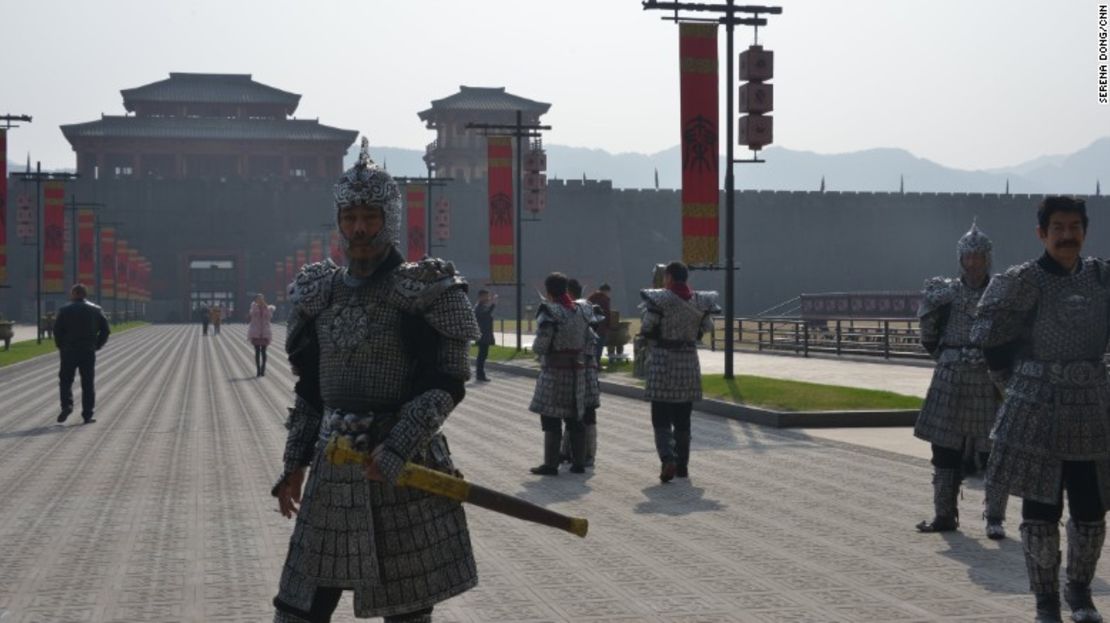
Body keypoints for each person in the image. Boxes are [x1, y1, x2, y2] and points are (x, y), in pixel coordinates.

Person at [270, 139, 479, 623]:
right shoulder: (320, 291)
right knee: (297, 608)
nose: (359, 228)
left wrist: (397, 446)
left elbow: (447, 382)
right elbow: (310, 393)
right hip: (333, 468)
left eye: (369, 217)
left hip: (402, 468)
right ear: (339, 221)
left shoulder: (424, 289)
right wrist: (293, 464)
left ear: (389, 217)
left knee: (406, 610)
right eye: (350, 217)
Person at [974, 196, 1110, 623]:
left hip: (1091, 406)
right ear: (1042, 233)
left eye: (1074, 227)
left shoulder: (1103, 278)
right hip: (1035, 406)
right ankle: (1046, 601)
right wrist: (1015, 390)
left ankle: (1080, 592)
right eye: (1058, 228)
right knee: (1040, 512)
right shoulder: (1022, 281)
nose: (1067, 235)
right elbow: (992, 341)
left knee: (1090, 509)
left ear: (1084, 230)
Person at [914, 222, 1009, 539]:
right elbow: (929, 335)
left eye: (978, 256)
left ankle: (994, 518)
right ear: (961, 258)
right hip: (951, 376)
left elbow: (1014, 335)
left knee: (994, 452)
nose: (973, 262)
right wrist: (950, 357)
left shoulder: (1002, 293)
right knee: (944, 449)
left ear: (987, 258)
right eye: (968, 256)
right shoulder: (944, 292)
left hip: (989, 378)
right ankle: (944, 514)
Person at [639, 261, 719, 483]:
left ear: (670, 278)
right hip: (688, 363)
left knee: (661, 417)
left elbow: (647, 327)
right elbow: (709, 327)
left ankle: (668, 459)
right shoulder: (700, 300)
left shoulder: (659, 299)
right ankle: (683, 465)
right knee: (683, 418)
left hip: (663, 361)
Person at [528, 272, 597, 476]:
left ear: (548, 292)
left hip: (555, 372)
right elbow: (590, 340)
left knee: (551, 417)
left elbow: (540, 346)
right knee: (576, 416)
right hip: (578, 371)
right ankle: (578, 463)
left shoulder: (550, 311)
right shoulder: (583, 309)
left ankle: (551, 464)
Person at [53, 283, 110, 425]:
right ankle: (87, 415)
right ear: (85, 294)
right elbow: (106, 330)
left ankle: (67, 406)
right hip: (87, 350)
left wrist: (61, 346)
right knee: (88, 383)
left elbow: (57, 330)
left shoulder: (64, 310)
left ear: (73, 294)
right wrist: (97, 345)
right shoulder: (96, 310)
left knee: (65, 380)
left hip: (68, 351)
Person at [248, 294, 276, 377]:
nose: (260, 300)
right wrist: (256, 307)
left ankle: (263, 369)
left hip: (265, 332)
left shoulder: (268, 308)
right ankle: (258, 370)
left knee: (264, 351)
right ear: (256, 300)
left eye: (261, 298)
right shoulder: (253, 307)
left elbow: (270, 317)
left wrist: (266, 308)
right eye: (258, 298)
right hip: (256, 331)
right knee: (257, 351)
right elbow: (251, 314)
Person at [473, 290, 496, 382]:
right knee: (482, 355)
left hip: (485, 335)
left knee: (483, 355)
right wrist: (493, 304)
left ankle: (480, 374)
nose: (488, 298)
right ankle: (480, 375)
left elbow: (487, 313)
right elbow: (485, 314)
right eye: (486, 296)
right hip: (483, 335)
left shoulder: (482, 306)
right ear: (481, 297)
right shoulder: (478, 307)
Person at [587, 283, 612, 365]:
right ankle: (597, 364)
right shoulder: (605, 299)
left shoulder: (591, 297)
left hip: (591, 327)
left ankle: (590, 363)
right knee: (599, 347)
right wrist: (609, 325)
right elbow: (607, 314)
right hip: (602, 327)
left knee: (591, 347)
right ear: (606, 291)